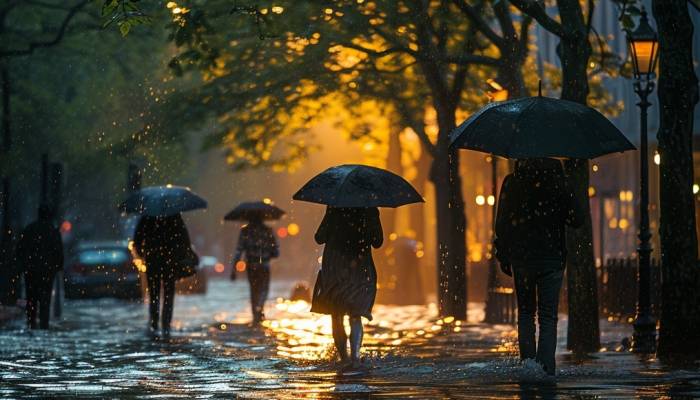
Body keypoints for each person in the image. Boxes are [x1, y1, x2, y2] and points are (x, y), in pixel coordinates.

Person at [495, 158, 585, 375]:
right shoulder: (559, 183)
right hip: (552, 258)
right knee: (548, 316)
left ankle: (528, 367)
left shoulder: (512, 182)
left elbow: (502, 223)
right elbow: (577, 219)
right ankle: (545, 369)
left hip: (523, 259)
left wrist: (504, 254)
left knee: (526, 313)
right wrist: (569, 194)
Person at [311, 207, 383, 369]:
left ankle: (343, 358)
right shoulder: (370, 209)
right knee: (355, 314)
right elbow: (378, 242)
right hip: (360, 266)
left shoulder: (334, 206)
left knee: (336, 315)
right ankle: (355, 358)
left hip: (335, 266)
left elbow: (319, 237)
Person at [134, 213, 192, 339]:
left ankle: (154, 323)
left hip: (152, 261)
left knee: (154, 293)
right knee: (168, 294)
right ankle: (166, 324)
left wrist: (143, 254)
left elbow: (137, 240)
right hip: (170, 262)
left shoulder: (147, 217)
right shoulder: (174, 216)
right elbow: (184, 239)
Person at [15, 204, 64, 330]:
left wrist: (22, 267)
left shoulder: (29, 229)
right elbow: (58, 252)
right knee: (45, 300)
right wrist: (57, 267)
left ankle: (31, 323)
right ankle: (43, 325)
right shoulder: (53, 231)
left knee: (31, 298)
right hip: (47, 272)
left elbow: (20, 250)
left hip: (31, 270)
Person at [231, 216, 279, 324]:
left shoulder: (245, 231)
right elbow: (276, 252)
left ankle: (256, 314)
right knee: (264, 289)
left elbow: (239, 251)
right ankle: (260, 309)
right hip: (264, 266)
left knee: (254, 290)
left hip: (251, 266)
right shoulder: (268, 231)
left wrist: (234, 270)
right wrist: (268, 253)